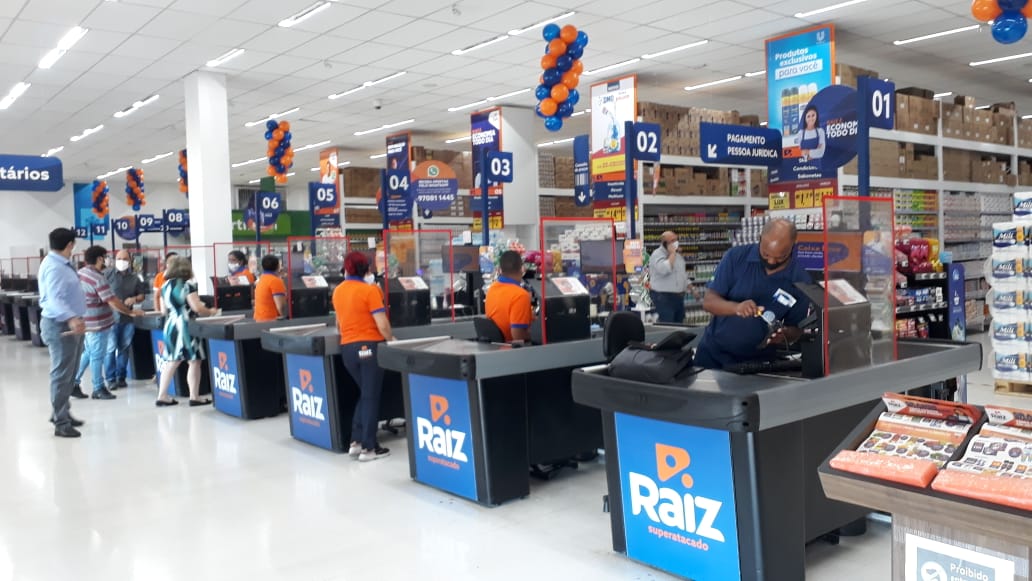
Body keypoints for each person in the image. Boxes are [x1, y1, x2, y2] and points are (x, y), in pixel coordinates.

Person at [694, 219, 812, 369]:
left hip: (757, 364)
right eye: (766, 254)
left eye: (780, 257)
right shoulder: (735, 257)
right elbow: (709, 302)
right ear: (760, 238)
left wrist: (785, 335)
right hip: (713, 355)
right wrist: (736, 308)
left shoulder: (801, 280)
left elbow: (797, 329)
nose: (771, 261)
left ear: (793, 245)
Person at [332, 251, 395, 462]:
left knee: (366, 393)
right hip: (369, 347)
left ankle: (356, 441)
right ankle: (369, 448)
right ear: (366, 269)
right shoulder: (370, 291)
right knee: (370, 396)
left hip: (347, 349)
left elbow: (338, 324)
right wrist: (391, 340)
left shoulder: (338, 291)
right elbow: (382, 323)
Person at [39, 228, 88, 437]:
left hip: (71, 324)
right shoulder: (55, 267)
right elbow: (54, 299)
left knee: (69, 373)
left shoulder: (61, 264)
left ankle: (62, 412)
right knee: (61, 375)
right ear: (70, 245)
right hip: (61, 325)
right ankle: (61, 422)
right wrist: (71, 318)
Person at [74, 246, 138, 401]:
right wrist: (130, 312)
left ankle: (73, 382)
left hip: (86, 320)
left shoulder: (81, 273)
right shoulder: (98, 278)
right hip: (97, 323)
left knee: (88, 353)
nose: (109, 260)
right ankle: (98, 388)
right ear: (100, 259)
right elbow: (112, 301)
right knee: (97, 355)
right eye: (106, 257)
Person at [156, 256, 218, 407]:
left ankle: (162, 395)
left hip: (170, 325)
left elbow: (163, 311)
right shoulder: (187, 285)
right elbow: (197, 308)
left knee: (172, 361)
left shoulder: (164, 286)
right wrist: (211, 311)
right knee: (194, 361)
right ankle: (194, 396)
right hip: (185, 326)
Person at [104, 249, 148, 389]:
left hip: (128, 319)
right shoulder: (107, 275)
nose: (121, 261)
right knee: (110, 349)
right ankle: (110, 379)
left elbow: (142, 295)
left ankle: (121, 377)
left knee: (124, 348)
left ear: (130, 261)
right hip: (110, 319)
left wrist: (134, 299)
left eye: (125, 259)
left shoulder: (135, 278)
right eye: (119, 258)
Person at [485, 250, 533, 343]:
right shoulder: (520, 295)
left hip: (495, 347)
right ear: (522, 269)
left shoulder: (492, 289)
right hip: (513, 348)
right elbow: (517, 335)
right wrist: (537, 334)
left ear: (500, 269)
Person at [648, 231, 688, 323]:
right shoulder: (657, 254)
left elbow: (682, 273)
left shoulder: (677, 256)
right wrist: (672, 253)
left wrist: (692, 289)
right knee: (668, 325)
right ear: (665, 243)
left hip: (678, 298)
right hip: (663, 297)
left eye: (676, 240)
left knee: (679, 325)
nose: (676, 242)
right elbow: (664, 269)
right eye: (672, 240)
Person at [253, 254, 287, 322]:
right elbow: (280, 306)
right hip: (271, 319)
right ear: (278, 266)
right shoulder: (275, 281)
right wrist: (286, 318)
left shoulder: (262, 279)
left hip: (260, 318)